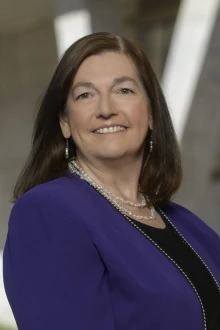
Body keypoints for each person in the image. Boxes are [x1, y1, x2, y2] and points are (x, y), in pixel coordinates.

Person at [3, 32, 220, 330]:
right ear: (65, 122)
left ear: (152, 112)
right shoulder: (48, 213)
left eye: (124, 91)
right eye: (85, 95)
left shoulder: (190, 227)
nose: (106, 109)